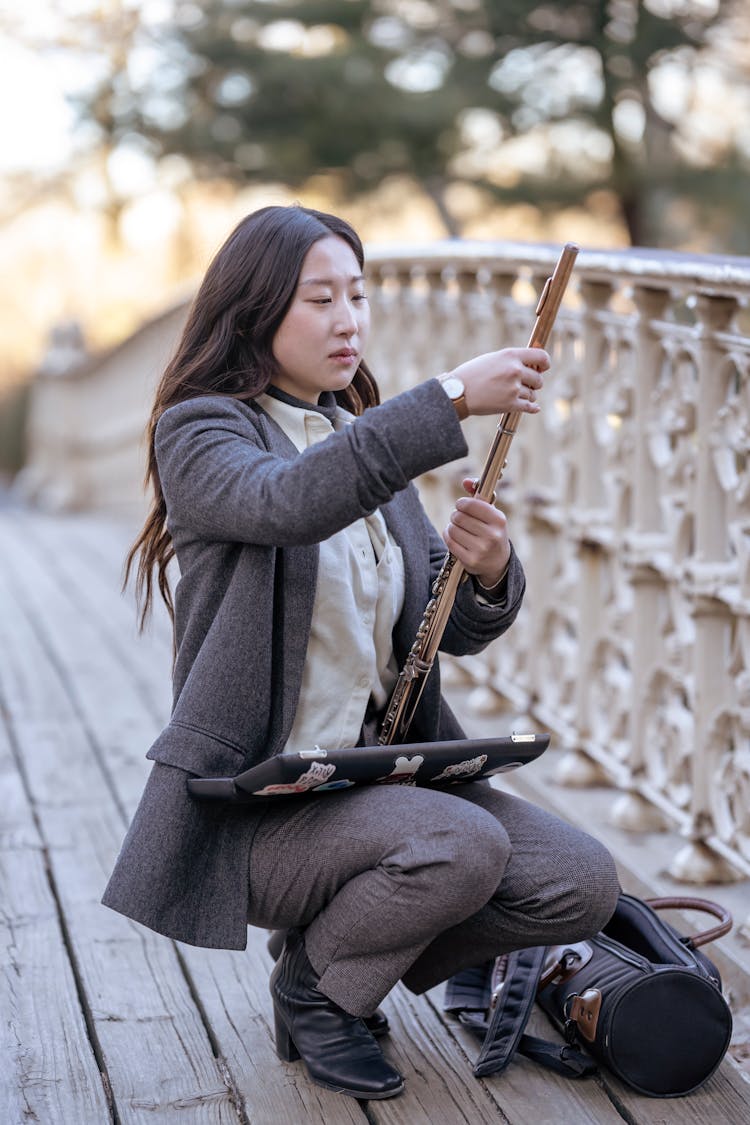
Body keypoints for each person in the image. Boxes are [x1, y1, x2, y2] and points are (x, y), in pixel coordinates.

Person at [102, 204, 620, 1101]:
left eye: (359, 295)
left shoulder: (356, 434)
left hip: (375, 789)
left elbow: (450, 625)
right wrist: (452, 396)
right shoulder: (202, 432)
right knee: (458, 841)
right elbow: (288, 504)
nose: (349, 320)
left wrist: (489, 570)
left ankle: (336, 952)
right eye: (319, 299)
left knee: (580, 881)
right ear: (256, 310)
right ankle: (317, 996)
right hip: (260, 814)